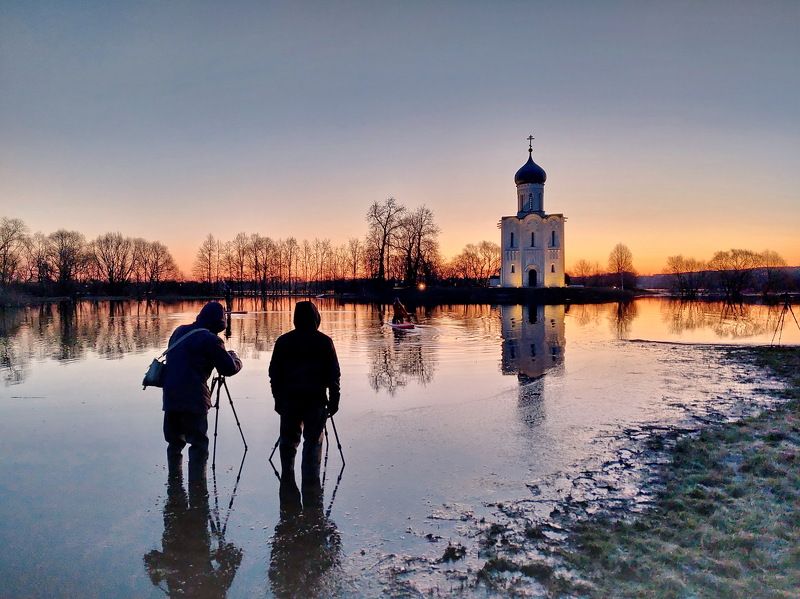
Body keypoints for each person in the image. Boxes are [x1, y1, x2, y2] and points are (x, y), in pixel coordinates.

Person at [162, 301, 242, 480]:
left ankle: (174, 486)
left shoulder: (179, 331)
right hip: (194, 400)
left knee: (174, 443)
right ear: (220, 323)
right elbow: (228, 368)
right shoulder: (210, 340)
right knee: (198, 445)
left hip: (170, 398)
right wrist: (236, 358)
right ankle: (198, 492)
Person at [269, 301, 340, 490]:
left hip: (289, 401)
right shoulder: (324, 341)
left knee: (288, 443)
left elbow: (274, 374)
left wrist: (277, 399)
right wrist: (334, 400)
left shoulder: (284, 341)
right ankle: (311, 489)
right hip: (315, 401)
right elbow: (334, 374)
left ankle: (288, 487)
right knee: (313, 442)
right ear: (316, 318)